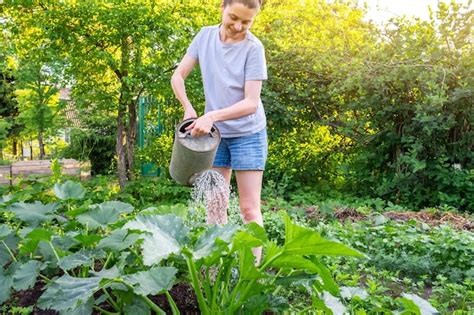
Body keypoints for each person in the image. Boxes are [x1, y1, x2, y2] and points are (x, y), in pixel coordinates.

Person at [171, 0, 267, 262]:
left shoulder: (253, 48)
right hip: (215, 138)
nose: (238, 26)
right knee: (215, 205)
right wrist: (189, 109)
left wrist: (210, 115)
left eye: (246, 22)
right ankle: (216, 270)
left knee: (249, 209)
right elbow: (178, 76)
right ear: (222, 7)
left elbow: (251, 102)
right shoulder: (204, 36)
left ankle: (252, 273)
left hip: (248, 134)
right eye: (234, 17)